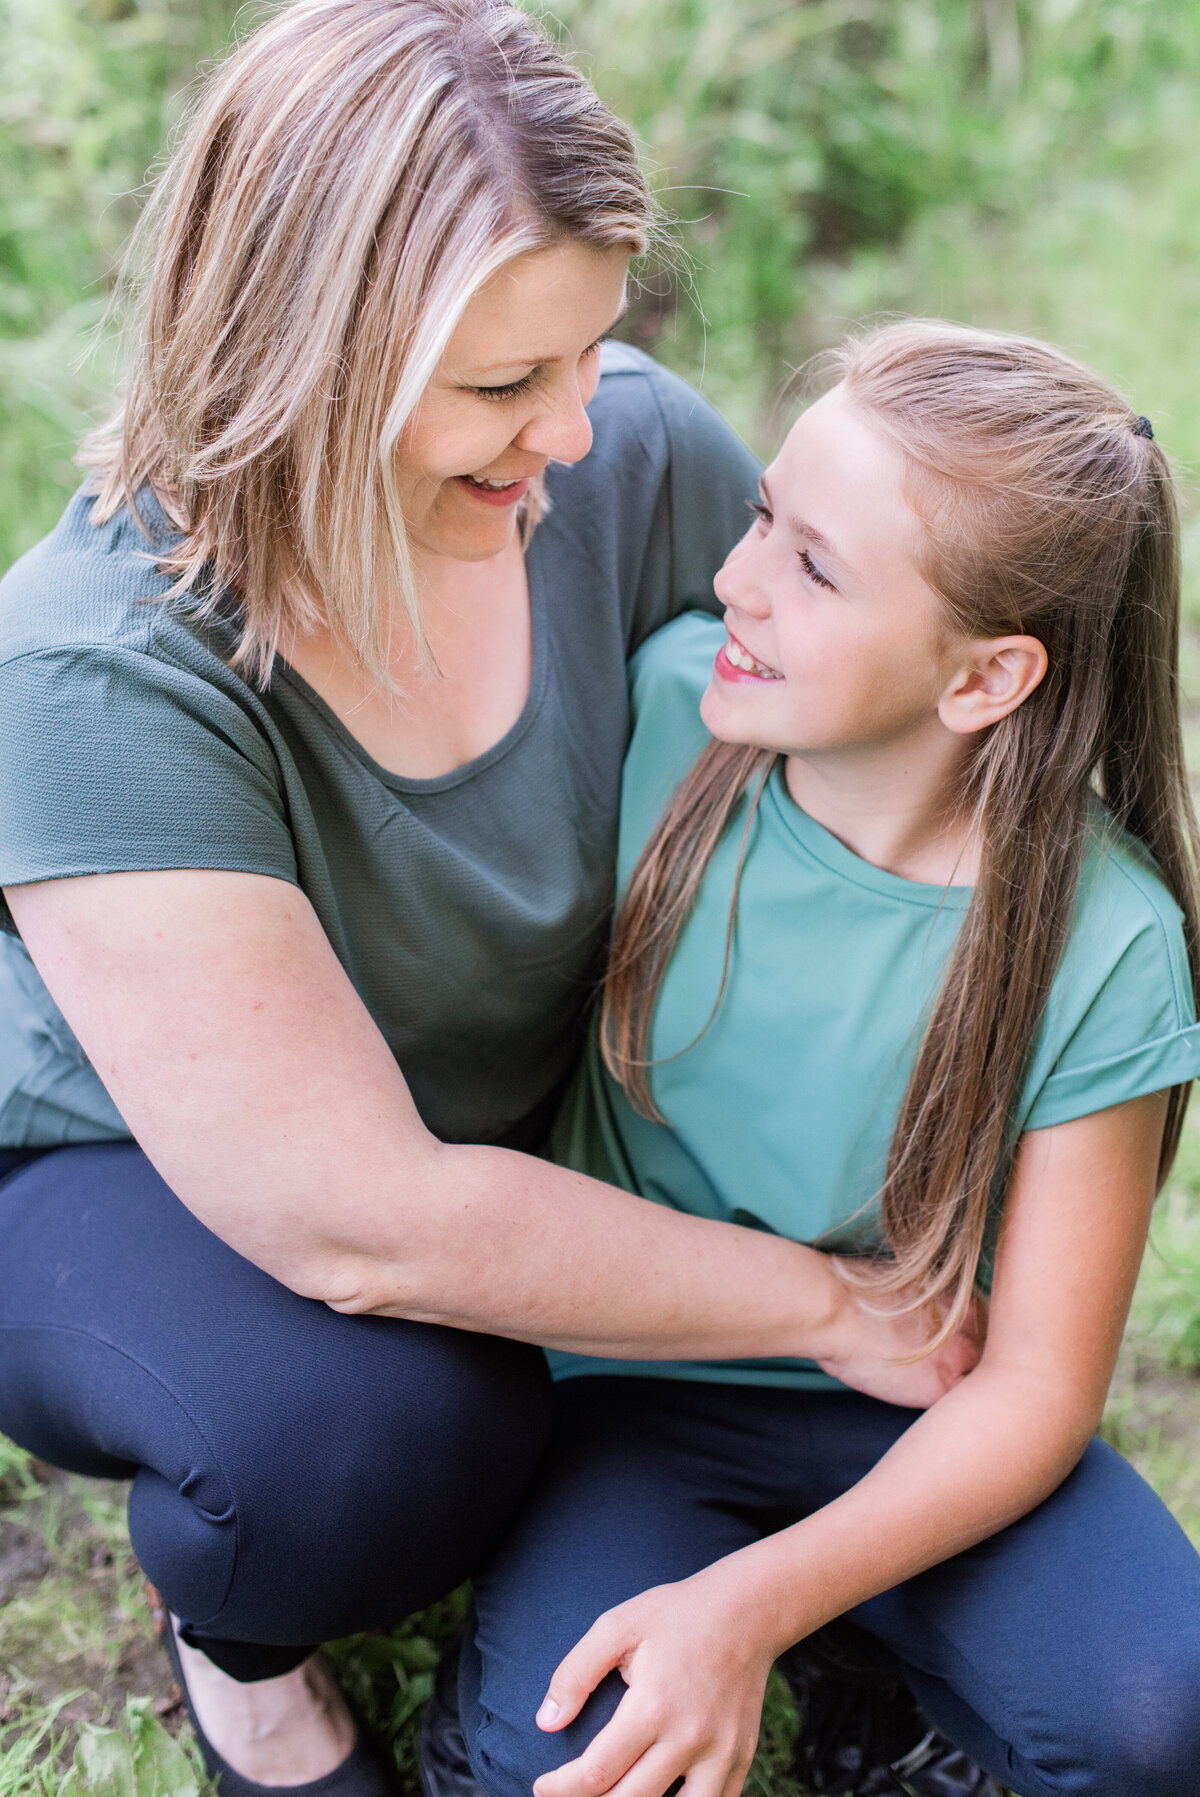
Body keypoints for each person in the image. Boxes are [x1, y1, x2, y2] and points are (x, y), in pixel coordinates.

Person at [0, 7, 975, 1795]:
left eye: (592, 352)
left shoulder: (634, 464)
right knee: (363, 1437)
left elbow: (873, 772)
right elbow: (356, 1214)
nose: (572, 430)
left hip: (506, 1126)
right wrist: (830, 1304)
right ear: (293, 353)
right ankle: (248, 1670)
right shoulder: (92, 669)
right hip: (130, 1171)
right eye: (499, 385)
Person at [451, 322, 1200, 1797]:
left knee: (1154, 1722)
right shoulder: (663, 713)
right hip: (629, 1384)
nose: (735, 580)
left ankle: (862, 1638)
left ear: (987, 678)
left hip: (924, 1403)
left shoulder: (1104, 938)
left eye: (815, 566)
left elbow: (1037, 1388)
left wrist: (755, 1604)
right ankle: (837, 1635)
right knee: (561, 1762)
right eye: (759, 522)